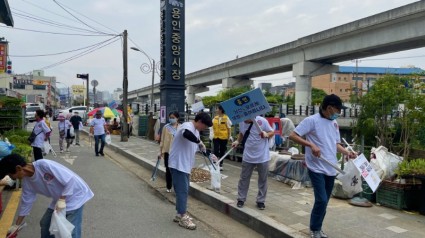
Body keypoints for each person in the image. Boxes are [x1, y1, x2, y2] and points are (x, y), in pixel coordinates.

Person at [288, 94, 356, 238]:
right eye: (338, 109)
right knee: (321, 199)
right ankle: (314, 229)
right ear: (329, 108)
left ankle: (318, 228)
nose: (340, 113)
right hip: (316, 166)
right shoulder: (311, 121)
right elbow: (293, 135)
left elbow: (336, 144)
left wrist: (347, 152)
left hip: (331, 167)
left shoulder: (334, 123)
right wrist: (311, 145)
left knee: (325, 200)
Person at [0, 154, 94, 238]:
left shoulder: (43, 165)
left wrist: (62, 199)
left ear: (18, 168)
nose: (11, 178)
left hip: (76, 194)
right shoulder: (27, 182)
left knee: (70, 231)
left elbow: (70, 180)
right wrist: (17, 225)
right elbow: (26, 203)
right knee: (45, 224)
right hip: (60, 198)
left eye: (10, 174)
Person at [168, 112, 212, 230]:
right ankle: (183, 216)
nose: (205, 129)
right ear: (200, 122)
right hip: (178, 164)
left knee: (183, 190)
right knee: (183, 191)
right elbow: (186, 134)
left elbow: (200, 147)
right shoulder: (187, 126)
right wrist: (199, 142)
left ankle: (179, 214)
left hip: (185, 166)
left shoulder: (196, 132)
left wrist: (210, 155)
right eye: (205, 126)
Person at [231, 115, 274, 210]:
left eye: (246, 119)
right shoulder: (241, 121)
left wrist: (267, 135)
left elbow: (272, 132)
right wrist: (237, 141)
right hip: (248, 156)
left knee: (263, 179)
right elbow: (242, 133)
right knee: (244, 178)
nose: (244, 121)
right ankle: (241, 199)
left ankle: (261, 201)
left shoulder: (262, 121)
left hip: (262, 156)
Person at [159, 111, 181, 193]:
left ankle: (176, 187)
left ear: (177, 118)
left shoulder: (181, 127)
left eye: (173, 117)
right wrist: (160, 151)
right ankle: (168, 186)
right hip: (168, 152)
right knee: (168, 170)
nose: (171, 119)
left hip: (177, 152)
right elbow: (162, 140)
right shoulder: (166, 127)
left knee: (177, 170)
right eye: (170, 117)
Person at [210, 105, 232, 171]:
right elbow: (211, 127)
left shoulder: (226, 118)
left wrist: (229, 136)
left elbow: (229, 128)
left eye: (217, 109)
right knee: (216, 150)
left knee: (222, 150)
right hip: (216, 137)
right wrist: (211, 135)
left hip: (224, 137)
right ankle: (215, 163)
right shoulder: (215, 118)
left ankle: (221, 164)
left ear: (221, 110)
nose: (216, 110)